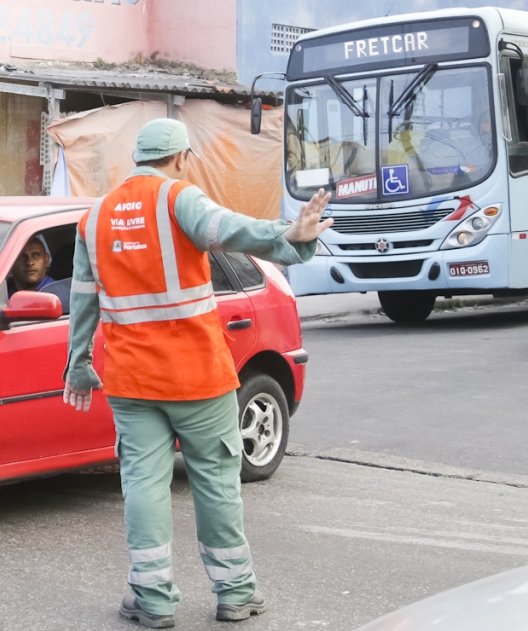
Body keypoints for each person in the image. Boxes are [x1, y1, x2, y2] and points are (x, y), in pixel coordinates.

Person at [62, 118, 331, 628]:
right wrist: (289, 235)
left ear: (137, 158)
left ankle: (153, 600)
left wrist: (78, 366)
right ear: (182, 157)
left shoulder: (93, 219)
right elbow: (230, 229)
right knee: (215, 481)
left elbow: (81, 301)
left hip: (131, 381)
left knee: (142, 484)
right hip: (197, 379)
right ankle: (235, 594)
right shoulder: (179, 199)